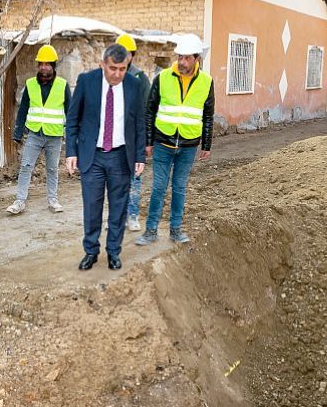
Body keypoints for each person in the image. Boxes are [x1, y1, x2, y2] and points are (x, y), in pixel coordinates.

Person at [65, 44, 146, 271]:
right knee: (92, 207)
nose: (118, 74)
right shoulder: (86, 82)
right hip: (93, 156)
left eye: (122, 68)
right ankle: (91, 251)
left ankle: (113, 252)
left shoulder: (134, 85)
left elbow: (139, 123)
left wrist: (139, 155)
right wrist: (71, 151)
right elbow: (72, 120)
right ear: (103, 64)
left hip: (121, 157)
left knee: (119, 208)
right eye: (113, 68)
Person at [135, 34, 215, 246]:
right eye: (180, 57)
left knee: (179, 188)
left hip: (189, 145)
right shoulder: (162, 78)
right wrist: (149, 141)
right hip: (163, 142)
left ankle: (175, 230)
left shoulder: (207, 82)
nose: (182, 62)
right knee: (159, 188)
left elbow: (208, 115)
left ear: (197, 59)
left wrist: (206, 144)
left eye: (187, 58)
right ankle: (151, 230)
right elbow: (150, 110)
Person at [6, 44, 72, 214]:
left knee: (52, 169)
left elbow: (70, 113)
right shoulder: (30, 84)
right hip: (35, 134)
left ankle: (53, 200)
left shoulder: (62, 85)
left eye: (47, 64)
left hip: (54, 136)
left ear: (53, 66)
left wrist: (72, 136)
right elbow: (23, 110)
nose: (44, 67)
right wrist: (18, 133)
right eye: (41, 63)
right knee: (26, 166)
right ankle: (19, 201)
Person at [116, 33, 152, 232]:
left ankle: (133, 216)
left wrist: (146, 141)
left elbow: (146, 111)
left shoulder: (140, 78)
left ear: (132, 55)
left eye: (127, 53)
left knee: (134, 179)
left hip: (133, 138)